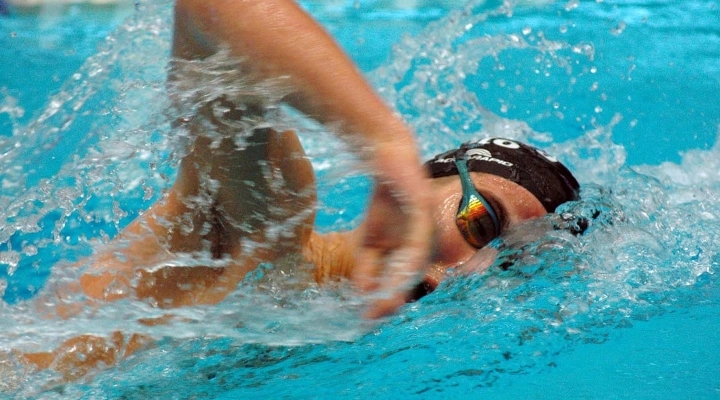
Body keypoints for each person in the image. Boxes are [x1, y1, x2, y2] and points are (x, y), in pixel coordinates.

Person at [17, 0, 579, 381]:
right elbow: (208, 10)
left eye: (512, 270)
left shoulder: (322, 331)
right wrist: (383, 141)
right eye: (482, 223)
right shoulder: (266, 222)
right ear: (428, 184)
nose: (476, 270)